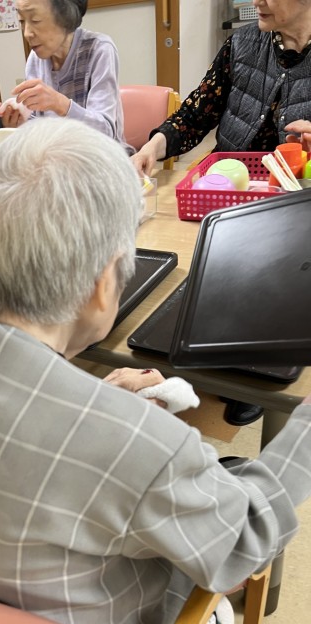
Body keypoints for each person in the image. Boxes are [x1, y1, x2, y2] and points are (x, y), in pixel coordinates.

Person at [0, 117, 311, 624]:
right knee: (227, 502)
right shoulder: (145, 447)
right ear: (106, 284)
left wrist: (94, 404)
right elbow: (244, 543)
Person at [132, 0, 311, 427]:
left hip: (294, 208)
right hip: (225, 194)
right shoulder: (242, 44)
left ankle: (254, 371)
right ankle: (209, 352)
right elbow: (197, 112)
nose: (254, 1)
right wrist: (155, 146)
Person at [0, 0, 128, 145]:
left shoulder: (99, 49)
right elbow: (40, 127)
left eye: (35, 20)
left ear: (66, 17)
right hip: (59, 154)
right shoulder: (35, 59)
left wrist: (60, 104)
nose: (27, 33)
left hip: (102, 155)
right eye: (21, 20)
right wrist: (21, 124)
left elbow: (106, 133)